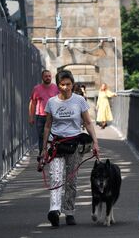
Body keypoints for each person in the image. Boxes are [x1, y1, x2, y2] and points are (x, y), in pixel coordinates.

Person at [42, 70, 100, 227]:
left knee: (71, 180)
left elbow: (88, 122)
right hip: (56, 144)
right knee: (56, 176)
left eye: (68, 84)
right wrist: (43, 148)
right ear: (57, 85)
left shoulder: (79, 100)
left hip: (74, 145)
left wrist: (95, 142)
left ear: (72, 84)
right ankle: (54, 210)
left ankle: (69, 211)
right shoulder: (52, 102)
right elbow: (47, 126)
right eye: (62, 84)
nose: (65, 87)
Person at [29, 70, 59, 161]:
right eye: (46, 76)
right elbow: (32, 103)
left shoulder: (56, 88)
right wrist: (31, 117)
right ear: (42, 77)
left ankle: (53, 154)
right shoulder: (36, 89)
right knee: (41, 136)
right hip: (40, 117)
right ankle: (42, 154)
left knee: (54, 136)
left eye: (49, 76)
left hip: (53, 116)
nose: (48, 78)